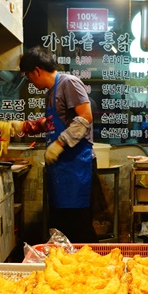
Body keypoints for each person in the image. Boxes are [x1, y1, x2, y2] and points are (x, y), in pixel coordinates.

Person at [18, 46, 99, 243]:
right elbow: (53, 121)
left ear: (37, 70)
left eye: (29, 76)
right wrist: (26, 127)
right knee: (62, 230)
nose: (30, 81)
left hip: (77, 167)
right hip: (62, 169)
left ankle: (93, 269)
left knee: (79, 228)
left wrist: (60, 144)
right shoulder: (51, 91)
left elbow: (85, 117)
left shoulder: (68, 83)